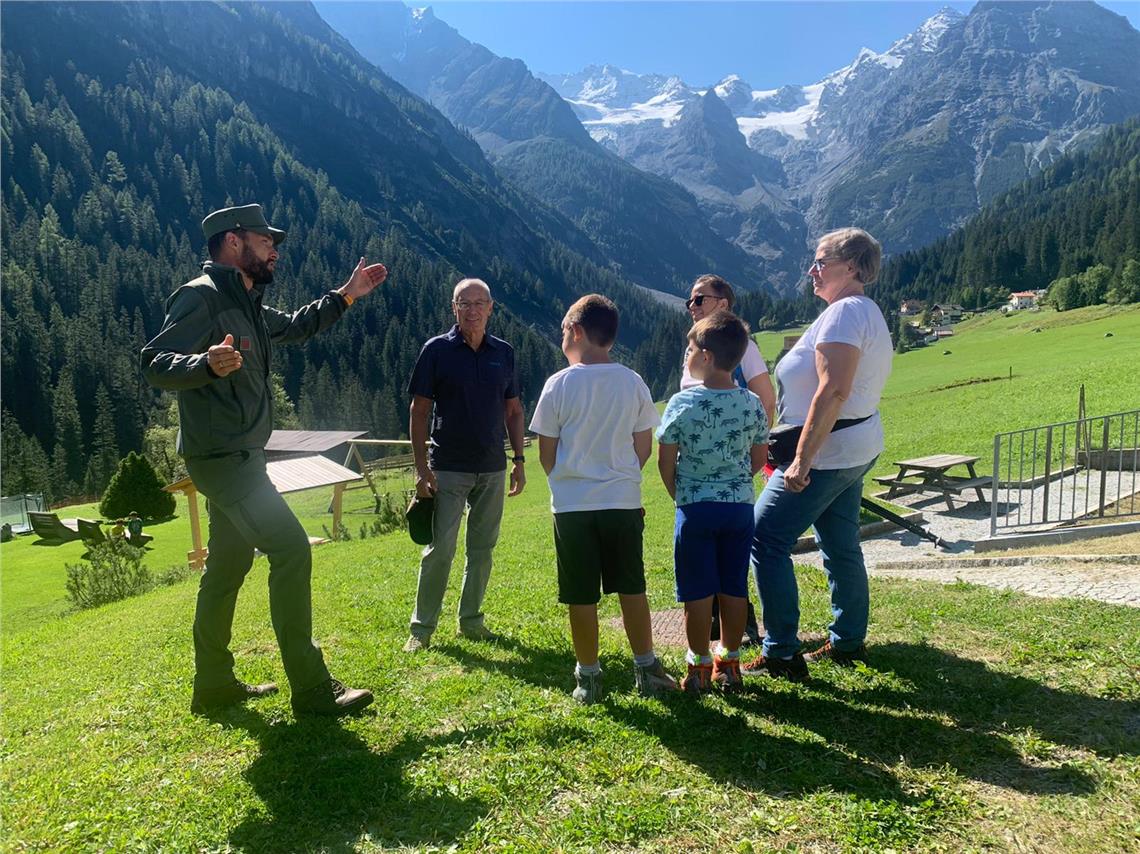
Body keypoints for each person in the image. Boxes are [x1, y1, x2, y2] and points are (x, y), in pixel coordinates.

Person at [141, 203, 386, 717]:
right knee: (291, 549)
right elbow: (155, 362)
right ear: (234, 242)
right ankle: (312, 688)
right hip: (222, 458)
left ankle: (212, 685)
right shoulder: (201, 297)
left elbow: (295, 325)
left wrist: (346, 295)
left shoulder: (247, 303)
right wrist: (204, 363)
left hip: (240, 457)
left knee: (227, 567)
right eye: (265, 240)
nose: (274, 250)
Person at [743, 228, 892, 681]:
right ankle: (848, 641)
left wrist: (801, 460)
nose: (812, 270)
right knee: (840, 544)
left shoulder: (844, 313)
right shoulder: (861, 310)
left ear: (852, 266)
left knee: (764, 537)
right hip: (853, 447)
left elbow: (833, 391)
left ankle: (780, 651)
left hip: (827, 453)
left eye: (821, 261)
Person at [530, 295, 677, 704]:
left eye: (563, 331)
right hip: (622, 501)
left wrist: (568, 479)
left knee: (581, 594)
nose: (562, 338)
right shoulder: (632, 381)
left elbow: (546, 453)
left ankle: (589, 678)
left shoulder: (557, 384)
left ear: (576, 332)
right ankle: (646, 667)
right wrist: (622, 476)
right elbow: (643, 445)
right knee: (632, 586)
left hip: (572, 507)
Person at [404, 278, 526, 652]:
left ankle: (471, 621)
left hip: (492, 467)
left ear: (491, 308)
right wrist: (422, 469)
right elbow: (419, 410)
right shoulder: (436, 350)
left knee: (482, 549)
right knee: (440, 550)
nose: (472, 310)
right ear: (453, 307)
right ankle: (421, 629)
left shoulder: (503, 353)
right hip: (447, 468)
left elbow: (513, 410)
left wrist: (519, 460)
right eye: (464, 303)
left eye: (479, 303)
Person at [658, 312, 769, 693]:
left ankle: (699, 667)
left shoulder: (682, 403)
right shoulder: (752, 403)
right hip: (739, 508)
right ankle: (730, 663)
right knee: (733, 586)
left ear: (705, 356)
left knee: (697, 591)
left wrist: (679, 494)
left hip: (695, 508)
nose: (686, 356)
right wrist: (735, 483)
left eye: (689, 350)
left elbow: (665, 460)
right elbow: (759, 457)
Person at [681, 274, 775, 646]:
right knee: (710, 551)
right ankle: (715, 627)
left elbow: (765, 399)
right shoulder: (695, 345)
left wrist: (751, 458)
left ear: (723, 303)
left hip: (726, 470)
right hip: (696, 471)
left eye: (699, 299)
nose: (692, 306)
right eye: (690, 301)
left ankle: (741, 627)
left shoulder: (742, 346)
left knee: (726, 553)